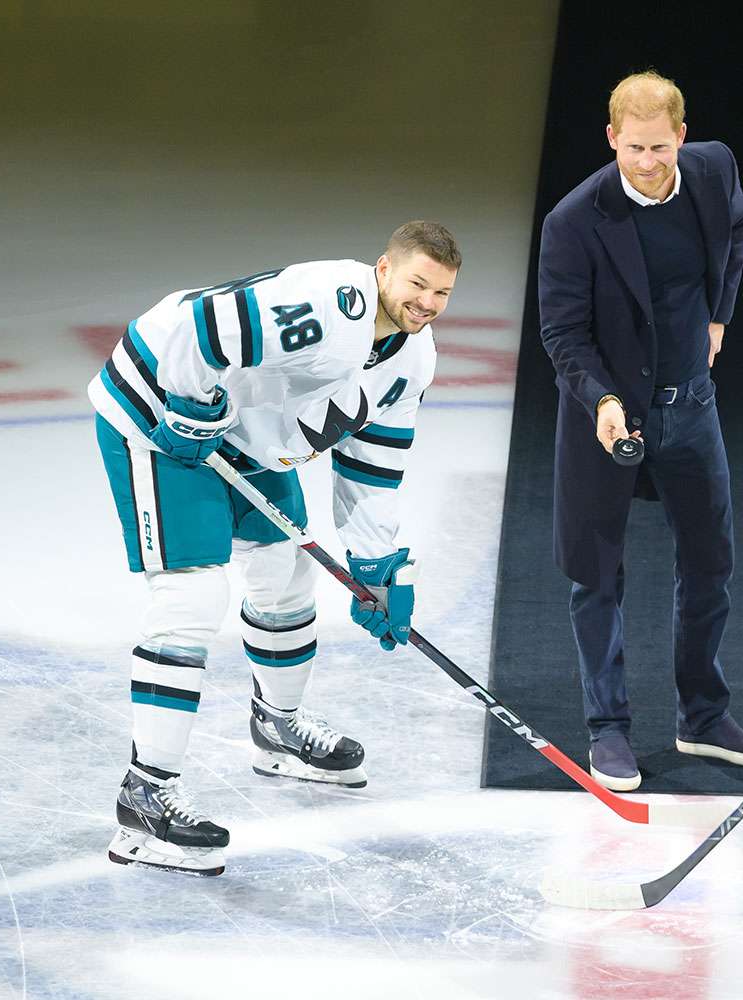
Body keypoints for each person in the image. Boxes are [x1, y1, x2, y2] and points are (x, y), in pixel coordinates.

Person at [88, 221, 462, 875]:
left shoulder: (412, 359)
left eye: (442, 292)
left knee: (288, 576)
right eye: (417, 283)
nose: (426, 303)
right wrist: (190, 402)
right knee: (192, 595)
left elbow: (372, 467)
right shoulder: (330, 304)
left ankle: (276, 726)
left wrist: (376, 568)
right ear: (383, 270)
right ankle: (143, 798)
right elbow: (207, 324)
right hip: (157, 414)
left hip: (242, 432)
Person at [536, 70, 743, 791]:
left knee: (711, 563)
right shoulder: (573, 222)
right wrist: (603, 401)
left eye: (660, 147)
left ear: (682, 135)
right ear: (612, 138)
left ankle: (702, 717)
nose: (648, 162)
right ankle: (608, 729)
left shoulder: (713, 168)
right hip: (607, 414)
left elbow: (738, 226)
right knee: (596, 574)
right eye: (633, 148)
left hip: (693, 406)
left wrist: (718, 315)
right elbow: (562, 334)